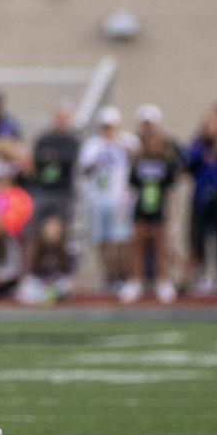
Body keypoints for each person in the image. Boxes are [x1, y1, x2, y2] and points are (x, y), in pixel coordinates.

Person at [77, 106, 138, 294]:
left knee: (120, 240)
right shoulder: (92, 145)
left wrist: (117, 144)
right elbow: (85, 169)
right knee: (102, 241)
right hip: (97, 199)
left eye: (111, 126)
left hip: (119, 199)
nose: (108, 130)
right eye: (105, 126)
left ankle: (123, 277)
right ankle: (109, 278)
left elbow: (138, 157)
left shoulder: (126, 141)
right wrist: (99, 156)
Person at [120, 128, 178, 304]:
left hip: (158, 210)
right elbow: (131, 188)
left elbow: (170, 191)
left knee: (160, 247)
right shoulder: (138, 164)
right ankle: (135, 282)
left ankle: (163, 282)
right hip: (141, 209)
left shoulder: (165, 164)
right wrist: (123, 210)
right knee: (137, 247)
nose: (153, 145)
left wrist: (172, 212)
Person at [185, 111, 217, 295]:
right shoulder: (199, 144)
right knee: (199, 239)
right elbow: (187, 163)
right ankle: (203, 275)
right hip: (201, 198)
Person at [31, 104, 80, 227]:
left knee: (63, 224)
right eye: (59, 117)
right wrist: (56, 157)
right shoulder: (44, 139)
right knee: (38, 224)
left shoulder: (72, 140)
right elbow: (37, 158)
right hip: (43, 188)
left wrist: (51, 157)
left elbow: (70, 159)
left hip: (63, 190)